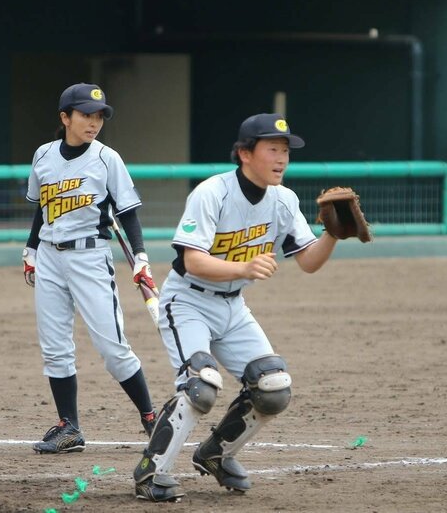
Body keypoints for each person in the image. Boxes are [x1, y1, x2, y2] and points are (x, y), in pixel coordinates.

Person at [133, 113, 346, 501]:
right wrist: (244, 266)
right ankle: (151, 471)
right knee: (201, 386)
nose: (281, 158)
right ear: (245, 154)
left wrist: (332, 234)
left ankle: (217, 453)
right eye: (272, 149)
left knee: (273, 388)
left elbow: (309, 261)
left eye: (285, 151)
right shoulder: (212, 192)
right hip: (187, 301)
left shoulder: (284, 199)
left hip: (233, 308)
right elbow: (193, 261)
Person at [22, 83, 159, 454]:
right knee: (55, 349)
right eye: (85, 114)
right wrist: (31, 249)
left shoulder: (106, 158)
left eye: (99, 115)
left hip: (90, 257)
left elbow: (128, 211)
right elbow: (42, 208)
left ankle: (152, 419)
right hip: (49, 256)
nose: (94, 122)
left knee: (112, 347)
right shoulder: (44, 156)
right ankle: (69, 427)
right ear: (65, 118)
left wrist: (141, 257)